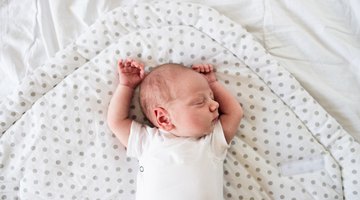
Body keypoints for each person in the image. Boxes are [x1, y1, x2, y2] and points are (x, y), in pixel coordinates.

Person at [107, 58, 243, 200]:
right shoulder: (148, 141)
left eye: (212, 97)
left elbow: (234, 113)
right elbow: (117, 121)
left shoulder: (211, 142)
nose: (215, 104)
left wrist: (212, 84)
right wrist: (126, 86)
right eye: (200, 101)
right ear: (164, 118)